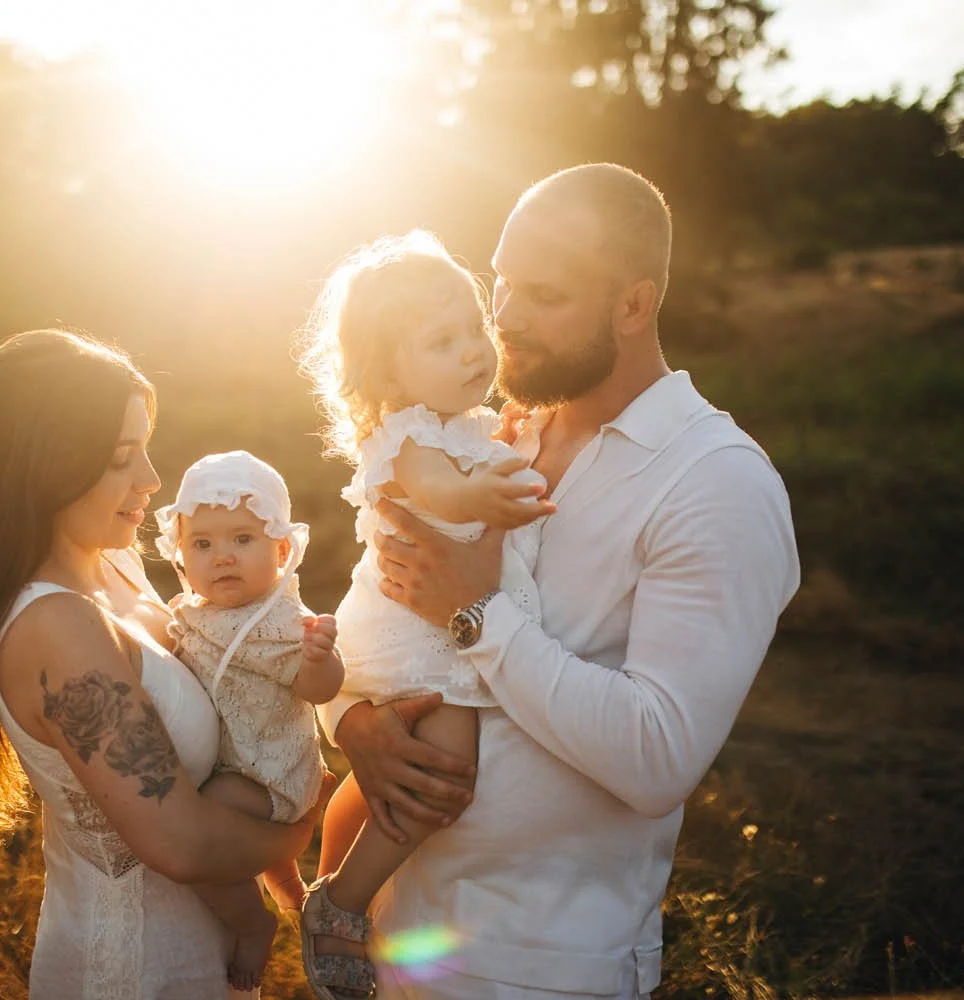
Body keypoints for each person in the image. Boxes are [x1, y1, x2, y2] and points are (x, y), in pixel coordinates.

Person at [317, 163, 802, 999]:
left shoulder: (715, 481)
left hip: (535, 970)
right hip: (392, 944)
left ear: (632, 305)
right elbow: (382, 609)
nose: (503, 320)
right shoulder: (487, 438)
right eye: (499, 283)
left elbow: (657, 759)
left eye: (543, 295)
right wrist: (352, 719)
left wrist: (477, 611)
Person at [0, 329, 327, 1000]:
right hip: (134, 969)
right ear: (46, 462)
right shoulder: (55, 626)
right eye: (123, 456)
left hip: (202, 958)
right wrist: (304, 820)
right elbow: (179, 843)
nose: (152, 480)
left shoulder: (116, 565)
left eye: (146, 449)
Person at [296, 231, 556, 998]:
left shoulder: (473, 426)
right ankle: (339, 900)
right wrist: (490, 492)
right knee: (447, 777)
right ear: (390, 371)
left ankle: (347, 890)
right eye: (442, 342)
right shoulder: (402, 435)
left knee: (430, 779)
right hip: (411, 637)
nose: (473, 352)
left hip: (445, 630)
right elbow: (439, 490)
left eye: (475, 330)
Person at [152, 449, 344, 989]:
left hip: (271, 773)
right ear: (180, 555)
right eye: (203, 544)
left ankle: (250, 923)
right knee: (229, 820)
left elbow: (318, 689)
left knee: (203, 826)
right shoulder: (195, 613)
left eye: (243, 539)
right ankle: (292, 895)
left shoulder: (282, 621)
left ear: (282, 550)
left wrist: (320, 659)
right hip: (235, 761)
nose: (223, 557)